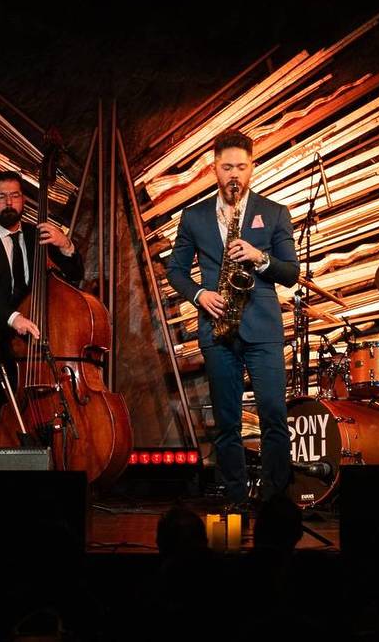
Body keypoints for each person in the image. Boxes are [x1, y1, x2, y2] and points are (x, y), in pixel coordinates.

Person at [167, 130, 299, 505]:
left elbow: (291, 273)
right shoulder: (194, 217)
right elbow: (175, 271)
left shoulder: (274, 212)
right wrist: (199, 294)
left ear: (252, 167)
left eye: (241, 166)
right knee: (227, 422)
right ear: (214, 168)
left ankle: (275, 501)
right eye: (227, 167)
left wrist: (260, 257)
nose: (234, 175)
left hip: (262, 329)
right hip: (217, 327)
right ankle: (235, 499)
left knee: (274, 416)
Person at [0, 170, 83, 447]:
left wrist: (66, 245)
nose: (8, 202)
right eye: (1, 196)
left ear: (23, 199)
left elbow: (75, 275)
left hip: (29, 347)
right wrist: (14, 318)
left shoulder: (40, 237)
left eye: (15, 195)